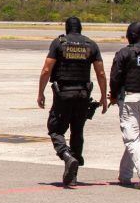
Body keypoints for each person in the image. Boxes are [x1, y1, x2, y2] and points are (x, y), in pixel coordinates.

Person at [37, 17, 107, 186]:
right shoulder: (91, 45)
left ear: (67, 28)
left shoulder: (58, 43)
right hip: (83, 94)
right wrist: (104, 96)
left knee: (55, 129)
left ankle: (66, 156)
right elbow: (101, 73)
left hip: (63, 94)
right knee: (77, 131)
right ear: (81, 29)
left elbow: (47, 69)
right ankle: (73, 176)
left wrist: (40, 93)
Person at [109, 22, 140, 189]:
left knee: (131, 139)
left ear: (130, 36)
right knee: (138, 139)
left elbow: (116, 76)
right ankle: (125, 175)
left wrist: (113, 96)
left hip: (130, 99)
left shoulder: (124, 53)